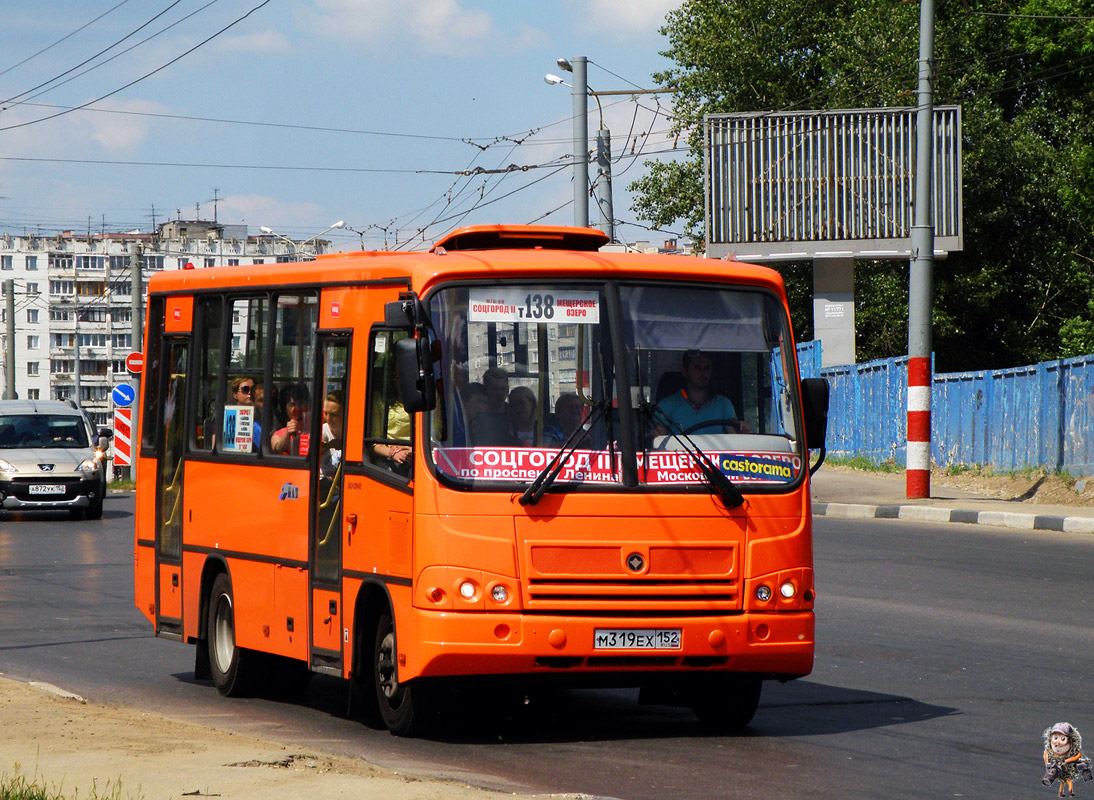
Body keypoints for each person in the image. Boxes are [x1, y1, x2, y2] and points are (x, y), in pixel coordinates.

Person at [654, 350, 750, 436]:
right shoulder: (667, 405)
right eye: (697, 368)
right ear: (684, 371)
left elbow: (734, 432)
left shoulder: (723, 404)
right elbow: (656, 439)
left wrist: (741, 428)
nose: (703, 373)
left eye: (707, 368)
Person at [469, 367, 517, 445]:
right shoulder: (477, 416)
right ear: (486, 390)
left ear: (508, 390)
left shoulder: (514, 414)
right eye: (494, 389)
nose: (499, 393)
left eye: (503, 389)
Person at [271, 383, 310, 454]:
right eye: (292, 405)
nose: (297, 408)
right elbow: (278, 448)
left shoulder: (315, 431)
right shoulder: (279, 434)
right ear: (285, 409)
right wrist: (288, 434)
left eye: (301, 404)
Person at [229, 376, 261, 449]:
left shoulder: (262, 413)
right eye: (245, 389)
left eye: (253, 389)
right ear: (235, 395)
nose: (250, 393)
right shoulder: (228, 416)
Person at [319, 390, 344, 479]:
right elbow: (316, 446)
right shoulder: (322, 431)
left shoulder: (353, 433)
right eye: (326, 413)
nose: (328, 418)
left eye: (334, 415)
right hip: (322, 481)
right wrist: (329, 445)